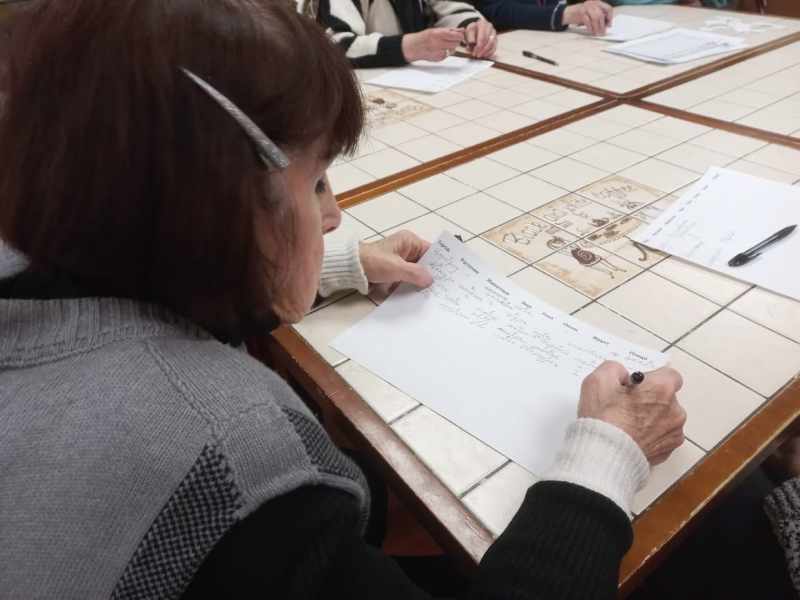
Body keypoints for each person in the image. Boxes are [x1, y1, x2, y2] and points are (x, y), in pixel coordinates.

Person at [0, 0, 687, 598]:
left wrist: (331, 267)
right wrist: (605, 457)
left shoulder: (34, 251)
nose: (332, 216)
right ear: (217, 205)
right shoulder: (238, 467)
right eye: (317, 182)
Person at [316, 0, 498, 68]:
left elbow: (451, 8)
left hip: (421, 79)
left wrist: (472, 27)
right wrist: (410, 46)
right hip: (366, 88)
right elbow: (335, 45)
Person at [476, 0, 614, 36]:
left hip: (555, 40)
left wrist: (591, 7)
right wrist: (565, 14)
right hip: (508, 44)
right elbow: (495, 9)